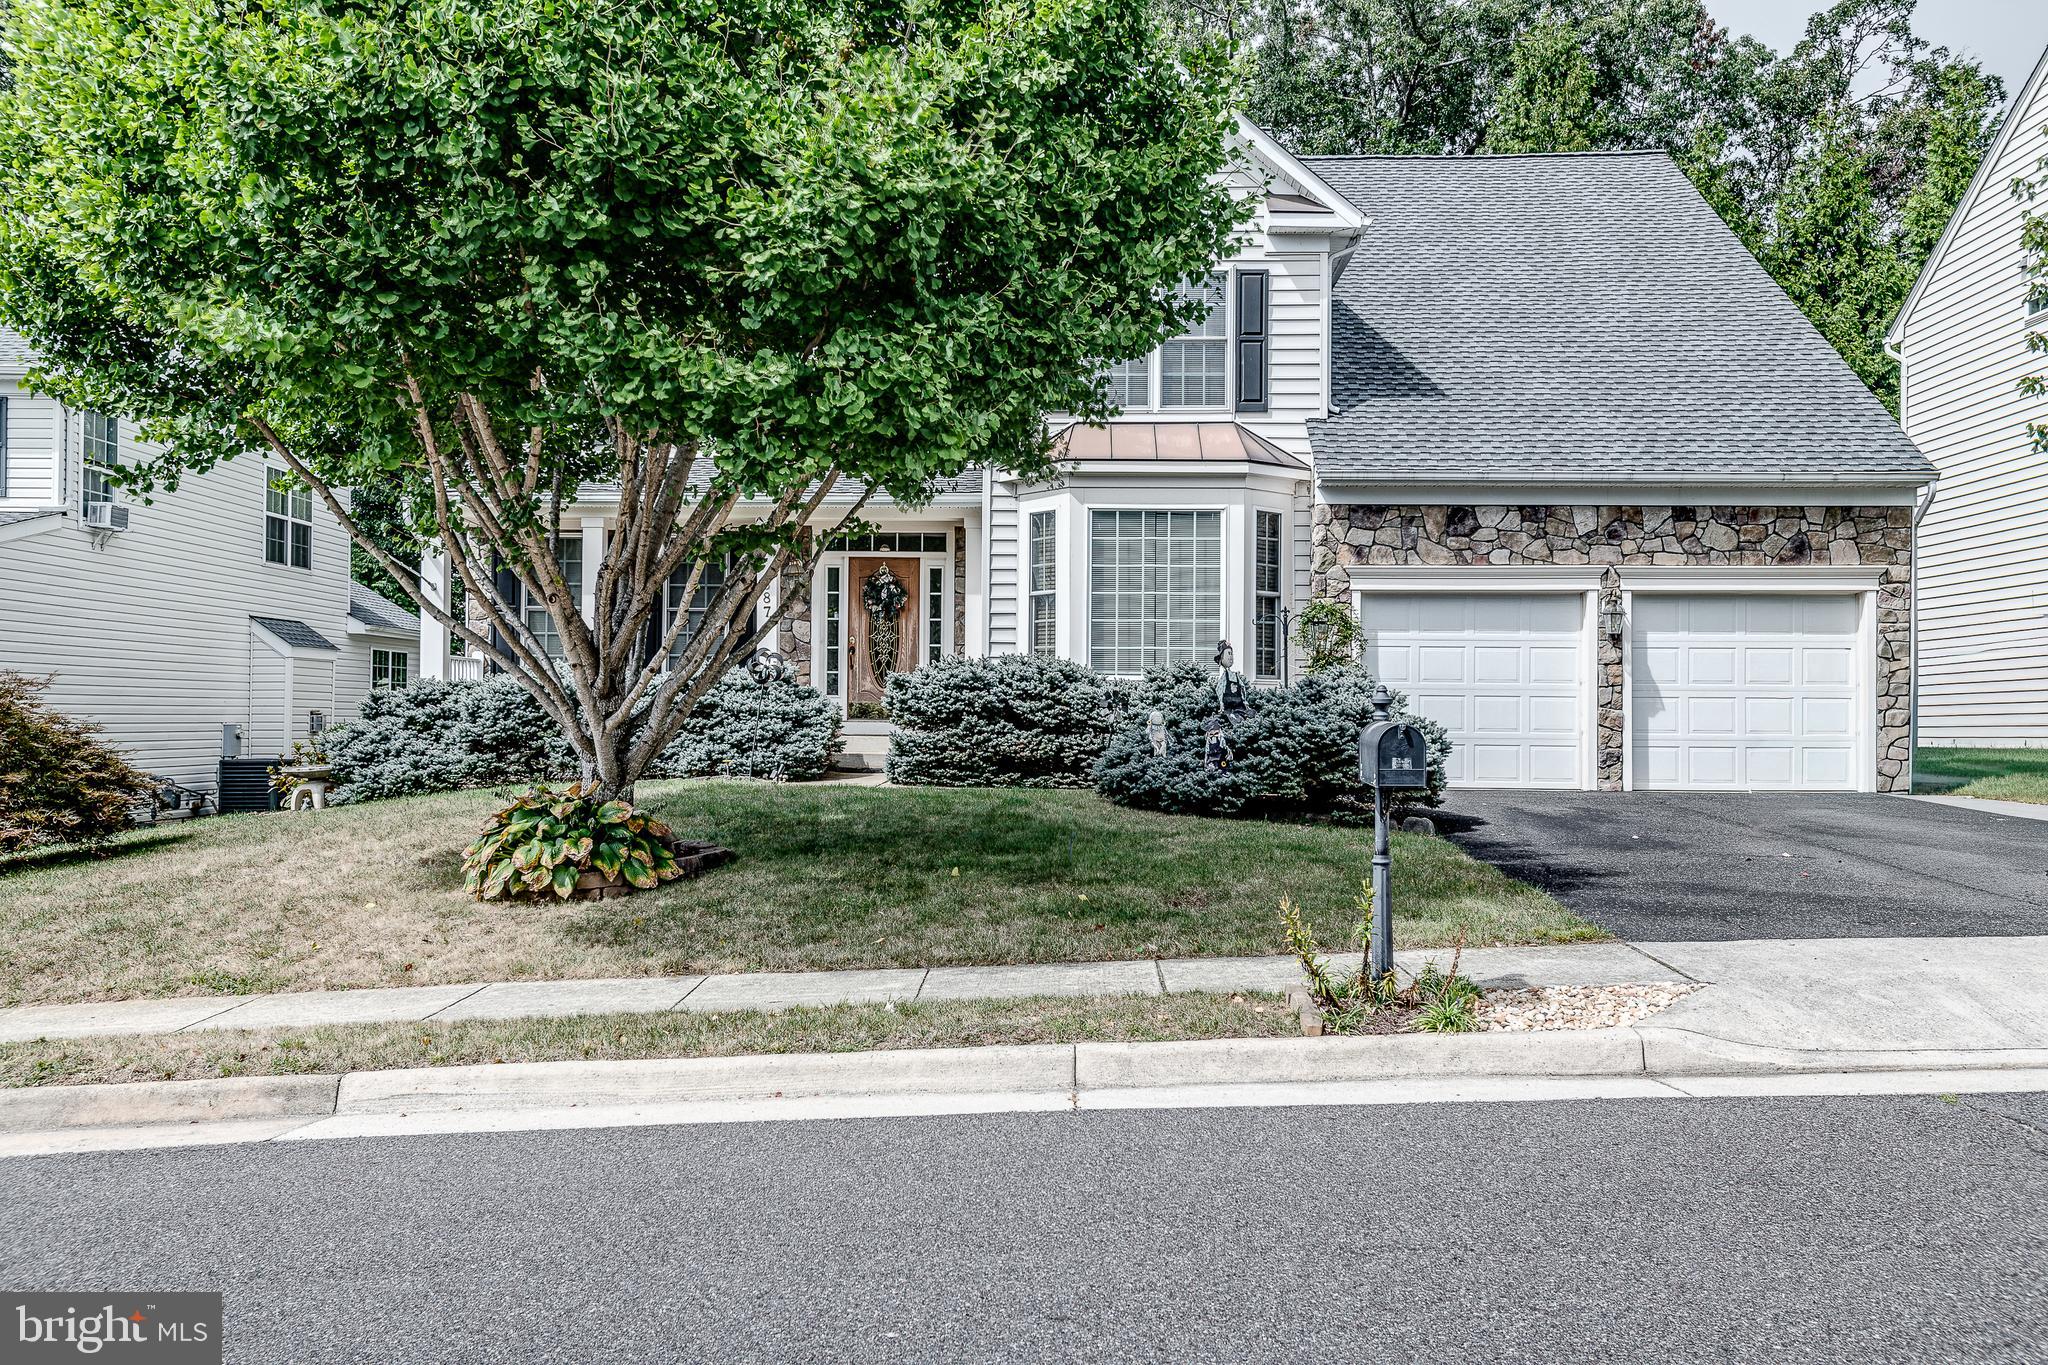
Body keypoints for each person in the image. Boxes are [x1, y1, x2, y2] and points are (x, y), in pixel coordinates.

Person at [1213, 640, 1250, 723]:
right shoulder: (1224, 677)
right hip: (1228, 707)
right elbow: (1220, 690)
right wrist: (1221, 704)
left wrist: (1244, 701)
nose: (1230, 657)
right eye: (1228, 654)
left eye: (1231, 654)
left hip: (1239, 706)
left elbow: (1242, 689)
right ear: (1222, 658)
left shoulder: (1236, 675)